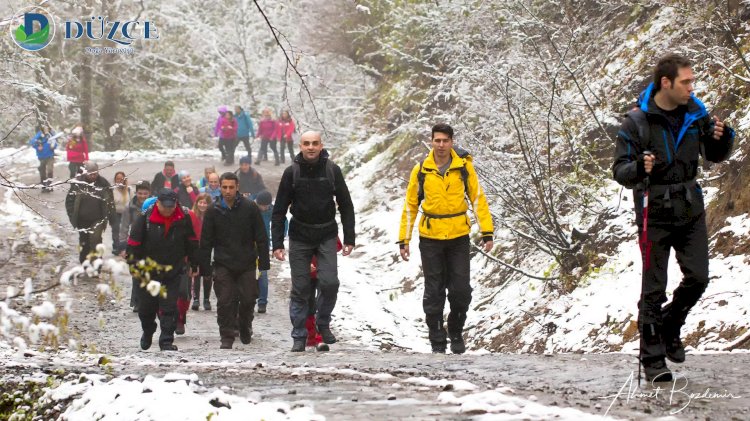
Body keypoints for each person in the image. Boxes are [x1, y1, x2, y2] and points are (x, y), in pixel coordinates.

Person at [612, 53, 735, 382]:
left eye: (692, 81)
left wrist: (723, 137)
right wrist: (639, 168)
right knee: (654, 287)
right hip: (654, 210)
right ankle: (652, 359)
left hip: (690, 207)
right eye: (686, 82)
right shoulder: (636, 122)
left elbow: (715, 155)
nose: (691, 88)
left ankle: (670, 325)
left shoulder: (696, 114)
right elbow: (620, 170)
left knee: (698, 278)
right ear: (665, 82)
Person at [398, 123, 494, 355]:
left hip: (458, 236)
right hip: (430, 237)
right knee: (434, 290)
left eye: (445, 140)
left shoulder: (464, 168)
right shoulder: (421, 170)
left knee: (461, 290)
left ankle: (456, 329)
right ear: (431, 142)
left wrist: (487, 231)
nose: (441, 145)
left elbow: (478, 199)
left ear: (451, 142)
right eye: (437, 140)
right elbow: (410, 206)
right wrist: (404, 239)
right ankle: (436, 337)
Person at [272, 131, 356, 352]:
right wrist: (277, 243)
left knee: (330, 283)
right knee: (300, 289)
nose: (311, 147)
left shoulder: (332, 170)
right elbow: (279, 210)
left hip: (326, 234)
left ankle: (323, 322)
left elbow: (346, 204)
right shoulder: (292, 173)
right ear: (300, 146)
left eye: (315, 143)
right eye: (306, 143)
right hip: (300, 236)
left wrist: (350, 237)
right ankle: (299, 335)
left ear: (321, 146)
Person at [200, 172, 270, 349]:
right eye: (224, 187)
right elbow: (206, 241)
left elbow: (261, 236)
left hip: (246, 262)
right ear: (220, 188)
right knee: (225, 300)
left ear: (237, 187)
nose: (228, 191)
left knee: (248, 299)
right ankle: (226, 335)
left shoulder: (250, 208)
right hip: (223, 263)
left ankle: (245, 325)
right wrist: (205, 268)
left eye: (231, 187)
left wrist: (264, 262)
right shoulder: (212, 211)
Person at [126, 189, 199, 351]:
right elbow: (133, 244)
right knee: (146, 308)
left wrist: (194, 263)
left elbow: (191, 242)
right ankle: (148, 331)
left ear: (175, 204)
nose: (168, 210)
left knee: (169, 307)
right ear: (157, 203)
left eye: (171, 207)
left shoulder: (183, 217)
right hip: (147, 271)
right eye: (165, 206)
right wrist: (133, 266)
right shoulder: (144, 219)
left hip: (172, 270)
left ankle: (166, 340)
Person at [65, 161, 116, 263]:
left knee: (96, 240)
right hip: (82, 220)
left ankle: (97, 264)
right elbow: (69, 201)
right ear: (85, 173)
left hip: (98, 219)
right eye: (91, 174)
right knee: (84, 242)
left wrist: (112, 218)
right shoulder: (78, 183)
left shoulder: (103, 183)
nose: (93, 176)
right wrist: (72, 216)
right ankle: (85, 263)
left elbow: (110, 201)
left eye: (95, 174)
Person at [119, 180, 151, 312]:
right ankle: (137, 301)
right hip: (135, 244)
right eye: (140, 193)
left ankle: (148, 301)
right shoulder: (130, 207)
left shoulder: (154, 205)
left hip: (151, 243)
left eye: (145, 193)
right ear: (136, 193)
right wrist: (122, 246)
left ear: (149, 193)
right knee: (136, 273)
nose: (142, 196)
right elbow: (124, 226)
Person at [306, 237, 342, 352]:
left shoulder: (327, 224)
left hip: (324, 271)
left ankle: (319, 338)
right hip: (306, 270)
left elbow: (337, 245)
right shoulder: (300, 222)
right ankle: (310, 338)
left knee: (322, 302)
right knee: (308, 304)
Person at [190, 193, 213, 311]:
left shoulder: (212, 216)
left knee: (208, 275)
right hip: (195, 248)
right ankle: (196, 299)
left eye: (205, 203)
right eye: (200, 202)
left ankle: (206, 299)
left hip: (208, 248)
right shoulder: (192, 215)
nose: (202, 205)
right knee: (196, 274)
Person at [254, 190, 273, 314]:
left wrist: (277, 242)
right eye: (262, 205)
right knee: (250, 273)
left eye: (267, 205)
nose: (265, 208)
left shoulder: (272, 210)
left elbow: (281, 224)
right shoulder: (251, 209)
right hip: (250, 245)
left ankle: (262, 302)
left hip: (264, 246)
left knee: (263, 274)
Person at [29, 124, 58, 192]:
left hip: (50, 156)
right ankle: (44, 186)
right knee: (42, 171)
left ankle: (49, 185)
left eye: (47, 128)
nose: (46, 130)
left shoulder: (51, 135)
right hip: (41, 156)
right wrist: (38, 147)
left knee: (50, 170)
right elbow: (32, 142)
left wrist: (53, 146)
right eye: (45, 128)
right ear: (42, 129)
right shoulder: (39, 135)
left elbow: (55, 143)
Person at [111, 172, 132, 255]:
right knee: (116, 230)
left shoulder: (129, 189)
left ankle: (124, 247)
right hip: (115, 213)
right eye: (117, 179)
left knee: (125, 230)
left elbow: (133, 201)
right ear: (115, 180)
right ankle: (116, 247)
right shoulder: (112, 190)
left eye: (121, 178)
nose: (119, 180)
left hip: (126, 214)